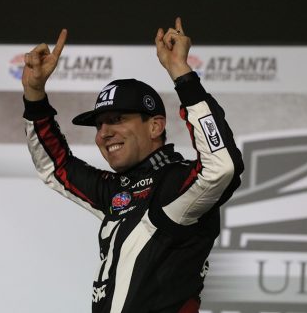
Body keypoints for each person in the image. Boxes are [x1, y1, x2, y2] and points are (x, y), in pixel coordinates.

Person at [21, 18, 244, 313]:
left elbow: (222, 166)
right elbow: (55, 167)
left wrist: (182, 73)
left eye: (116, 120)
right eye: (99, 125)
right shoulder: (116, 191)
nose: (104, 134)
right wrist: (34, 95)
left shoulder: (174, 184)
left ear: (155, 127)